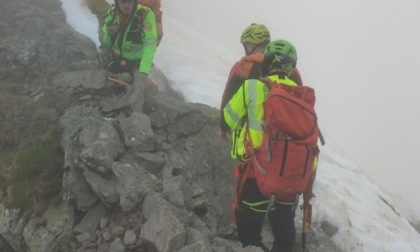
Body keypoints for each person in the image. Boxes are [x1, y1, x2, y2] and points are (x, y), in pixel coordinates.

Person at [223, 40, 301, 252]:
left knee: (248, 230)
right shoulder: (302, 97)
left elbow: (229, 117)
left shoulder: (252, 86)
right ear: (291, 68)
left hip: (255, 173)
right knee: (284, 230)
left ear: (266, 63)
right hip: (289, 178)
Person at [219, 23, 302, 139]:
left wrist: (223, 127)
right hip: (284, 143)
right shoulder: (291, 70)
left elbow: (228, 95)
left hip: (251, 142)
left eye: (247, 45)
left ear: (252, 44)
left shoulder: (244, 66)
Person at [100, 0, 158, 77]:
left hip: (135, 63)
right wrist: (109, 34)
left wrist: (144, 71)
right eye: (123, 2)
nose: (126, 5)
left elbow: (150, 45)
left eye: (129, 2)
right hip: (115, 59)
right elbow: (106, 43)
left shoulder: (146, 14)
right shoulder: (112, 12)